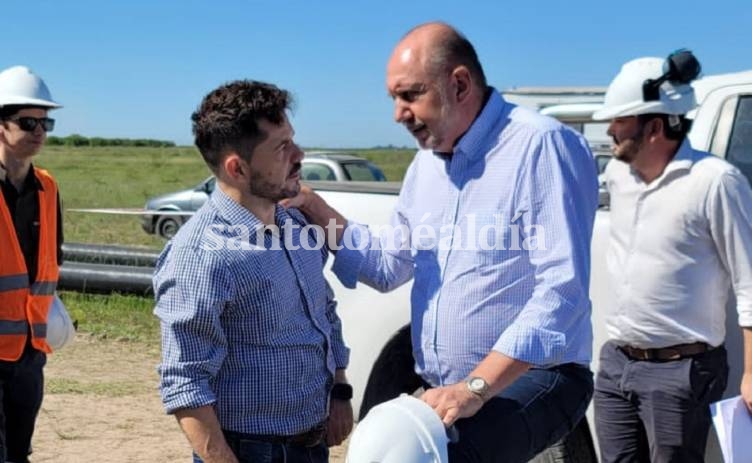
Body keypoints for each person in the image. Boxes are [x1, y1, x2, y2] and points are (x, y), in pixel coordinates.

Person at [284, 22, 599, 462]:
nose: (397, 113)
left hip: (542, 375)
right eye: (393, 98)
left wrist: (475, 388)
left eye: (410, 94)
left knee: (447, 455)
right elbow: (388, 264)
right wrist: (312, 205)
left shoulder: (540, 146)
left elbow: (560, 293)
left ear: (460, 84)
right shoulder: (426, 166)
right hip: (453, 386)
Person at [153, 80, 353, 463]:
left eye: (292, 139)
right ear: (238, 168)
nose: (299, 154)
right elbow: (185, 381)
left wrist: (339, 391)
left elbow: (324, 312)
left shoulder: (296, 224)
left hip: (310, 445)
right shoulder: (200, 255)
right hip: (249, 450)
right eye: (282, 147)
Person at [591, 51, 752, 462]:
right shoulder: (617, 175)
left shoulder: (715, 182)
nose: (609, 130)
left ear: (655, 126)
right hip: (615, 364)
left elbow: (750, 281)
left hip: (680, 374)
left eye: (620, 121)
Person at [0, 65, 63, 463]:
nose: (39, 131)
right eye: (27, 122)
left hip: (28, 352)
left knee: (19, 452)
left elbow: (51, 258)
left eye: (45, 123)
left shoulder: (47, 186)